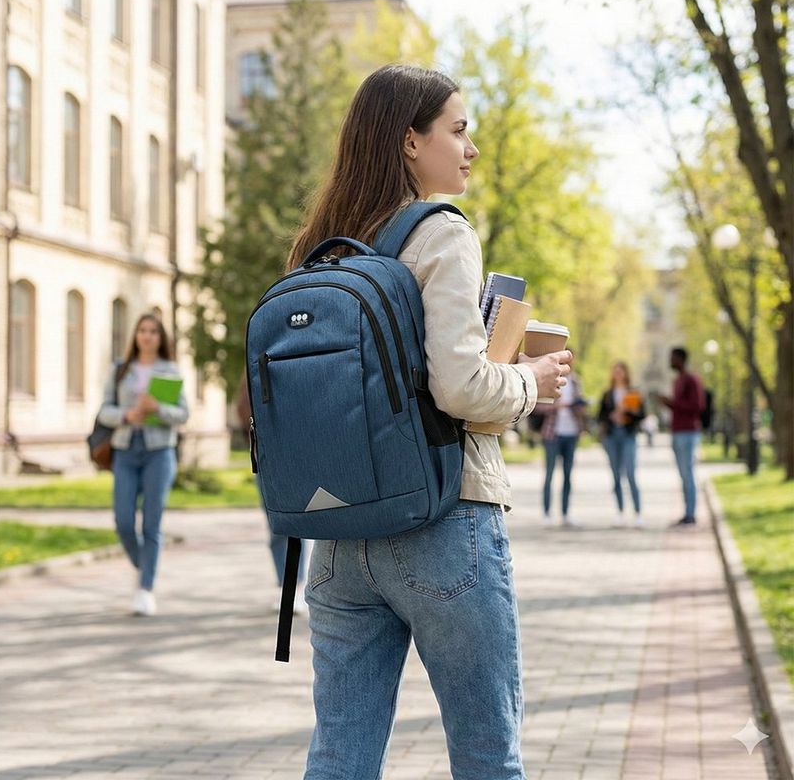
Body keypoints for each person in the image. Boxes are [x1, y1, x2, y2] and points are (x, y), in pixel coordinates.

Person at [283, 65, 573, 779]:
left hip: (340, 537)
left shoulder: (326, 240)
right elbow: (462, 388)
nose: (470, 148)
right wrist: (531, 382)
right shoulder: (442, 234)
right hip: (443, 520)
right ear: (411, 141)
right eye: (458, 130)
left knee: (339, 758)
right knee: (486, 756)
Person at [96, 313, 188, 615]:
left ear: (161, 338)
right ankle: (145, 565)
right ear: (135, 336)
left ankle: (145, 589)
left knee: (151, 523)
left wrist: (157, 408)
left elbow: (182, 415)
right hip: (125, 449)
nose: (147, 336)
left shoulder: (170, 370)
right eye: (142, 331)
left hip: (159, 452)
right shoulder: (120, 370)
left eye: (153, 331)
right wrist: (127, 415)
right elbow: (103, 412)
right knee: (123, 521)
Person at [236, 374, 309, 614]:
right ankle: (286, 585)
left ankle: (297, 586)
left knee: (296, 524)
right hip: (266, 454)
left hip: (297, 451)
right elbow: (242, 408)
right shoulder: (253, 364)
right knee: (276, 525)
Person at [659, 347, 705, 526]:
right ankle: (687, 511)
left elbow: (697, 406)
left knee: (688, 473)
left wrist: (671, 403)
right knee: (683, 474)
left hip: (688, 432)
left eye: (673, 358)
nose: (670, 361)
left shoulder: (692, 380)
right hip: (677, 432)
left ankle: (691, 513)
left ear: (681, 359)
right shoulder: (677, 381)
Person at [598, 361, 645, 527]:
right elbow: (600, 416)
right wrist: (611, 416)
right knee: (616, 475)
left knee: (631, 475)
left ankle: (638, 513)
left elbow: (641, 415)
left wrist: (627, 412)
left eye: (620, 371)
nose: (618, 374)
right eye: (615, 371)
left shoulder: (633, 392)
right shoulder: (608, 394)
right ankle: (620, 512)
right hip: (612, 437)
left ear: (626, 373)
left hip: (628, 435)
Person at [536, 370, 586, 526]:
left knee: (568, 475)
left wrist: (578, 407)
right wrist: (556, 406)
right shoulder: (550, 380)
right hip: (552, 434)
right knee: (549, 474)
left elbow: (581, 406)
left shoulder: (576, 381)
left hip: (571, 434)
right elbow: (537, 406)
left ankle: (565, 514)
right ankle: (546, 513)